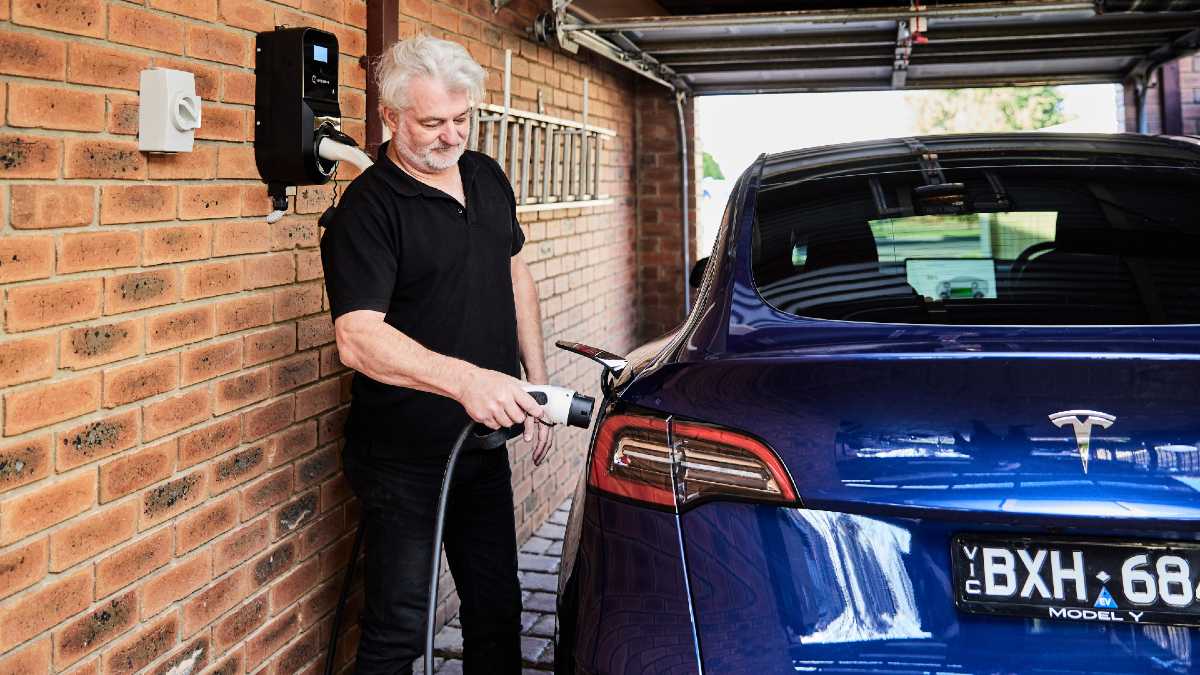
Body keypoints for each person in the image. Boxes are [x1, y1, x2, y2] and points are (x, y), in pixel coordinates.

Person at [319, 34, 553, 675]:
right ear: (390, 117)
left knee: (496, 610)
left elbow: (516, 274)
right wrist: (467, 381)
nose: (452, 136)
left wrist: (535, 383)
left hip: (480, 444)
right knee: (400, 630)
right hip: (403, 456)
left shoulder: (485, 175)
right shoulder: (368, 210)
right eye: (432, 123)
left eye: (462, 118)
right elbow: (358, 337)